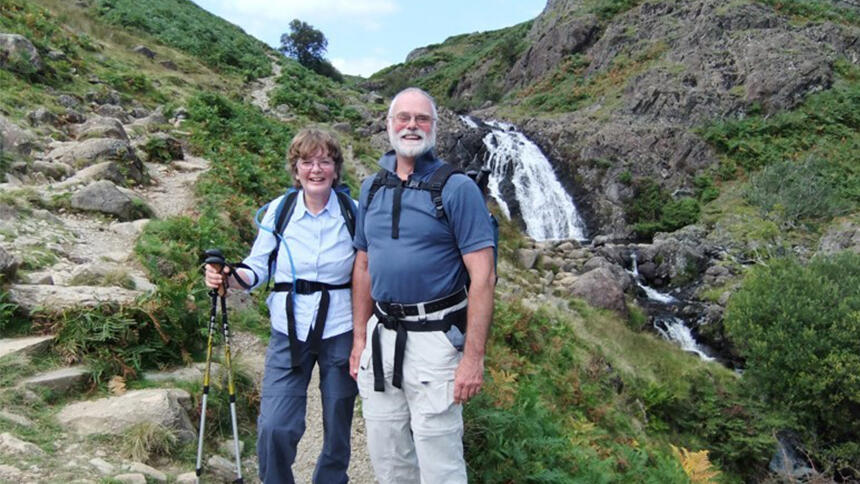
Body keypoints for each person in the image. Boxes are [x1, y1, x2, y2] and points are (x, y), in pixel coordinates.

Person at [349, 87, 496, 483]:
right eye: (404, 117)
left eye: (422, 118)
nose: (412, 125)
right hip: (380, 339)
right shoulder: (371, 188)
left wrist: (473, 358)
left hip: (436, 342)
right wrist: (360, 338)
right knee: (387, 457)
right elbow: (363, 265)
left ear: (434, 127)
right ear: (389, 125)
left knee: (441, 462)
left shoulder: (458, 188)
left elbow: (484, 277)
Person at [204, 128, 357, 484]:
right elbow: (257, 267)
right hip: (288, 329)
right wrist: (228, 277)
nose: (315, 169)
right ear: (296, 168)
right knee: (275, 425)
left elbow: (368, 270)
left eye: (324, 161)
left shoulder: (354, 213)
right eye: (307, 162)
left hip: (341, 328)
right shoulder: (279, 211)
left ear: (336, 168)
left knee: (338, 421)